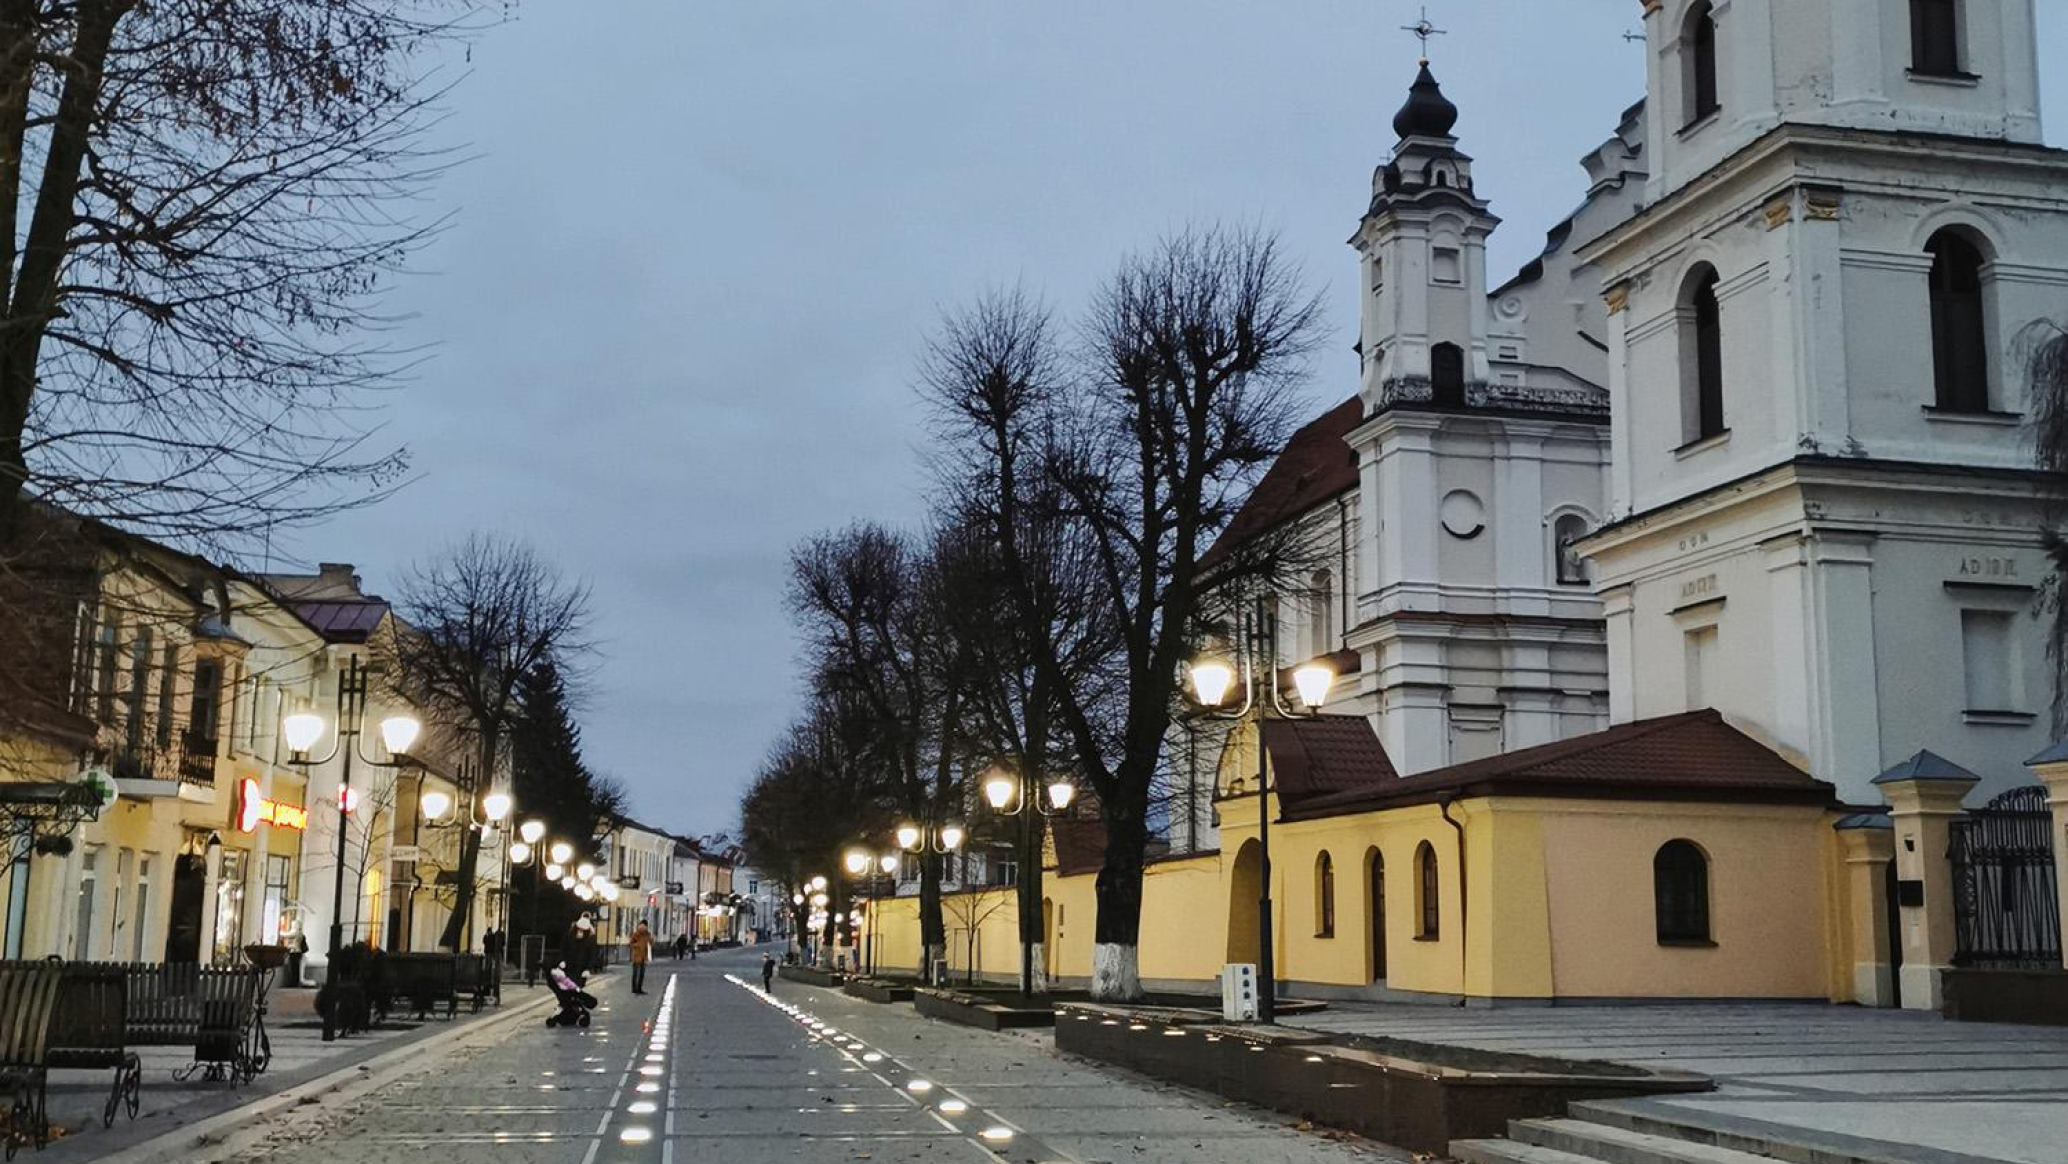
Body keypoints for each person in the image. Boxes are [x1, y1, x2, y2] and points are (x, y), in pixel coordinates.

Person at [628, 919, 654, 994]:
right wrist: (637, 945)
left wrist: (652, 940)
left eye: (644, 926)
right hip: (636, 956)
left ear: (646, 927)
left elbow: (650, 944)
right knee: (635, 973)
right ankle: (634, 988)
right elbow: (630, 944)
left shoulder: (647, 934)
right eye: (641, 926)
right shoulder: (636, 934)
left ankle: (639, 988)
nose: (642, 928)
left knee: (642, 974)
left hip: (644, 956)